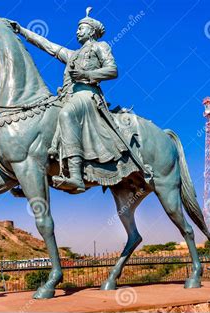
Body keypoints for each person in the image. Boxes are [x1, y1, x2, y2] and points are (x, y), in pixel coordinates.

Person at [11, 8, 126, 193]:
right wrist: (23, 31)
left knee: (66, 114)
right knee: (39, 119)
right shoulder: (72, 55)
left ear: (91, 31)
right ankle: (33, 177)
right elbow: (48, 46)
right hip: (66, 97)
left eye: (81, 28)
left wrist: (86, 74)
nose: (77, 31)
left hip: (87, 95)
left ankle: (76, 177)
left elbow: (113, 70)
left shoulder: (100, 46)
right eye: (78, 28)